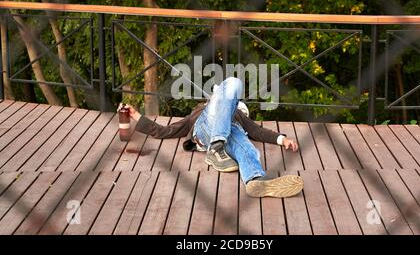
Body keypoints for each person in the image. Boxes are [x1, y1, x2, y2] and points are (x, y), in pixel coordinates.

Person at [121, 77, 303, 198]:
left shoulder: (239, 119)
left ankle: (255, 179)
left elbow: (258, 132)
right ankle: (216, 145)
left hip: (228, 137)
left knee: (246, 146)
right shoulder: (202, 112)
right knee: (233, 82)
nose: (235, 110)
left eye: (238, 109)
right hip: (205, 129)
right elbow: (164, 131)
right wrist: (135, 114)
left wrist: (282, 139)